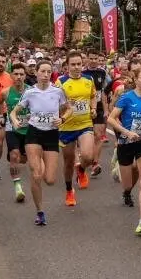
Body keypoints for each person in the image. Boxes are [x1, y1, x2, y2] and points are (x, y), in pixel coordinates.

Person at [10, 61, 67, 226]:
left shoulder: (58, 91)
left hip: (51, 135)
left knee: (50, 180)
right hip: (34, 134)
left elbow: (68, 108)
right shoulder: (30, 92)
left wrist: (61, 119)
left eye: (49, 71)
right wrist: (14, 121)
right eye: (43, 71)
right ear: (36, 72)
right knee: (36, 175)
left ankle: (41, 159)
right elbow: (14, 112)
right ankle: (40, 212)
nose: (46, 74)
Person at [108, 68, 141, 236]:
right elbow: (111, 118)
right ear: (136, 80)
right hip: (126, 143)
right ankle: (126, 192)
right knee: (127, 183)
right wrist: (126, 132)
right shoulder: (126, 98)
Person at [56, 51, 98, 207]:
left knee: (88, 156)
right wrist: (66, 107)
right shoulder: (60, 82)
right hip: (66, 127)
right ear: (67, 66)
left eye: (78, 64)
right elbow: (55, 103)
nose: (76, 67)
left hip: (85, 123)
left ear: (83, 64)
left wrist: (93, 108)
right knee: (68, 161)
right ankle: (69, 190)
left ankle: (81, 170)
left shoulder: (88, 79)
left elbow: (93, 96)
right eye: (72, 64)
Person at [2, 63, 30, 203]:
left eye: (21, 74)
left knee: (24, 159)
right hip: (12, 128)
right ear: (11, 75)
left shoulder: (31, 91)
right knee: (14, 155)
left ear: (25, 76)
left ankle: (18, 160)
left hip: (29, 130)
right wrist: (2, 116)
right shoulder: (6, 92)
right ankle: (18, 187)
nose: (19, 77)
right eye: (16, 74)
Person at [83, 51, 109, 174]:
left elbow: (104, 92)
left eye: (95, 58)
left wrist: (106, 109)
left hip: (98, 106)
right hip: (84, 108)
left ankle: (95, 163)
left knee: (98, 135)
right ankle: (83, 157)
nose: (93, 60)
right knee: (86, 136)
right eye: (91, 58)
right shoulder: (82, 73)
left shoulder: (102, 72)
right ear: (87, 59)